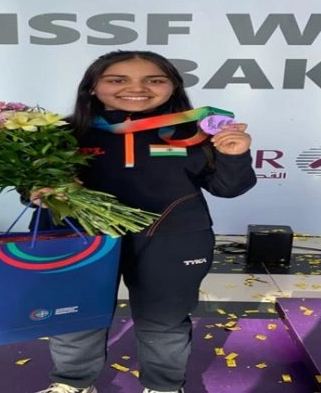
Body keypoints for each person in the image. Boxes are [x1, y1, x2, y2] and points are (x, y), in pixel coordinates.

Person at [32, 50, 257, 393]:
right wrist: (36, 190)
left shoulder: (197, 132)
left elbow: (228, 188)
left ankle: (164, 386)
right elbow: (33, 186)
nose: (136, 88)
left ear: (173, 86)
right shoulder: (60, 133)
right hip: (79, 237)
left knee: (164, 321)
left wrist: (234, 155)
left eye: (154, 80)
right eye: (117, 79)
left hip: (173, 239)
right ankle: (72, 383)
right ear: (92, 87)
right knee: (75, 315)